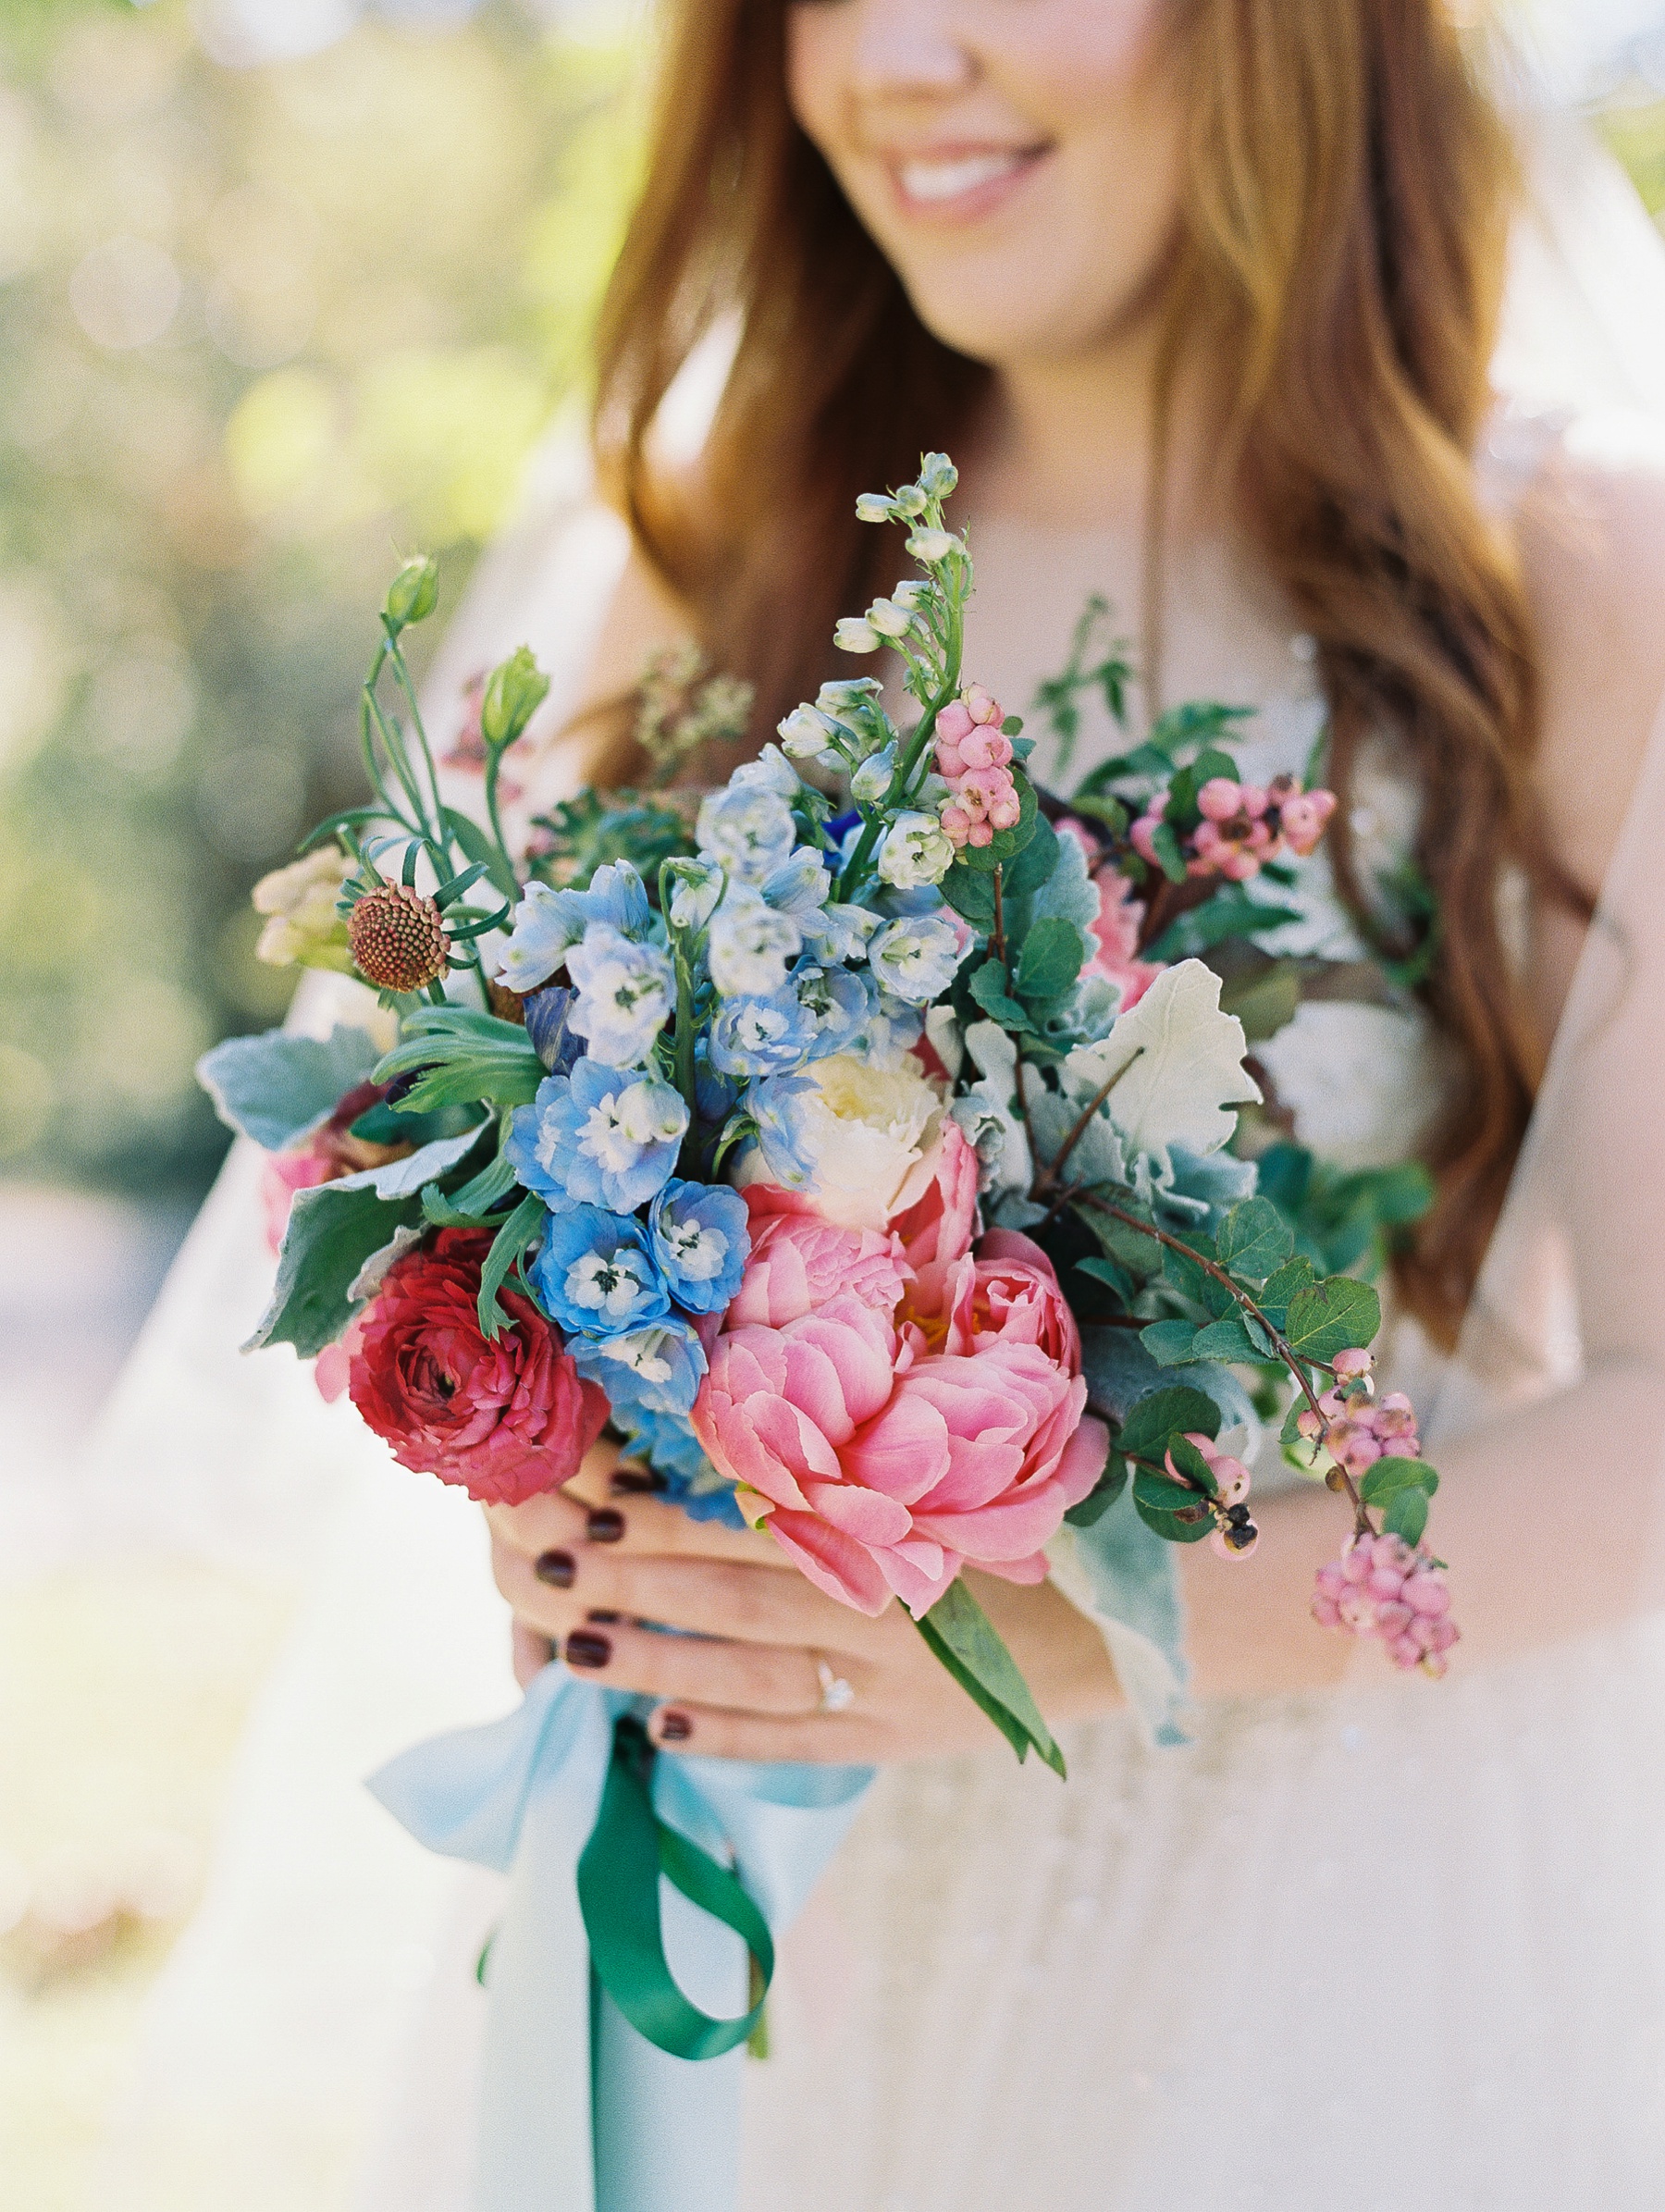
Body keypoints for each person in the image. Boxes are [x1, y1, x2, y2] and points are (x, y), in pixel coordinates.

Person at [100, 4, 1665, 2207]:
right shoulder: (721, 546)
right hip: (794, 1929)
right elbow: (516, 1176)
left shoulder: (1566, 576)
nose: (895, 56)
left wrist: (1041, 1645)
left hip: (1340, 1911)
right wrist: (570, 1476)